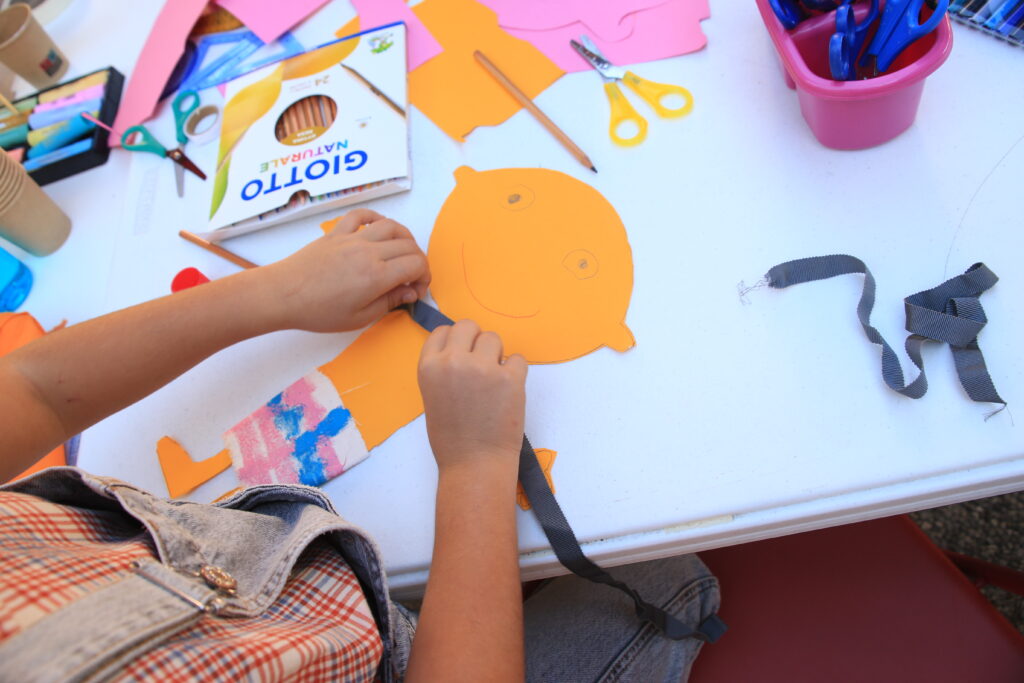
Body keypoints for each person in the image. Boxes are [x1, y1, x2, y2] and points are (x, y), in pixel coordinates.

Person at [0, 210, 720, 682]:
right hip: (383, 652)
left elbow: (31, 389)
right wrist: (476, 466)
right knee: (670, 572)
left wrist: (277, 291)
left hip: (293, 570)